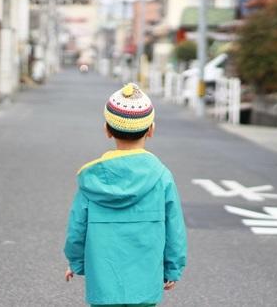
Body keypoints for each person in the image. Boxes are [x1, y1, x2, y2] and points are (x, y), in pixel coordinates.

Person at [64, 83, 187, 307]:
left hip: (103, 282)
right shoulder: (161, 176)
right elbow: (174, 228)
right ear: (151, 130)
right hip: (146, 282)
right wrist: (172, 268)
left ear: (107, 130)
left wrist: (76, 262)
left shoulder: (92, 178)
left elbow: (77, 227)